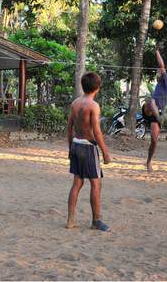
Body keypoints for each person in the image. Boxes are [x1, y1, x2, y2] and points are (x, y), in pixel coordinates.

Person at [66, 72, 112, 231]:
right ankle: (96, 221)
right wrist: (105, 152)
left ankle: (70, 220)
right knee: (96, 183)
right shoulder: (93, 106)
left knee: (77, 183)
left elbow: (70, 127)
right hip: (88, 147)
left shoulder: (75, 103)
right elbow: (97, 132)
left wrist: (69, 148)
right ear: (97, 88)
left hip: (76, 145)